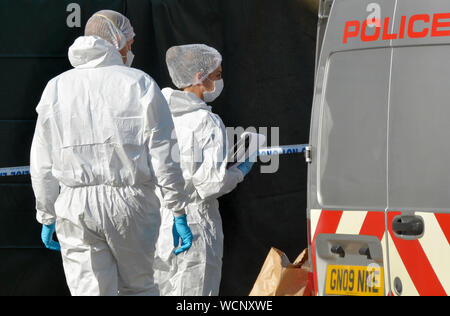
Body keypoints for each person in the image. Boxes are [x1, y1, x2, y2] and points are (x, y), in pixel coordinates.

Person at [30, 10, 192, 296]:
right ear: (117, 40)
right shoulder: (138, 83)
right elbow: (164, 153)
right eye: (129, 42)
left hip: (75, 205)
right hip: (132, 204)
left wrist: (46, 213)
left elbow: (42, 163)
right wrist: (177, 208)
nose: (131, 48)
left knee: (89, 292)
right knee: (139, 288)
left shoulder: (55, 88)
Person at [153, 44, 255, 296]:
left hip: (160, 226)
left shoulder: (161, 116)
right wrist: (241, 170)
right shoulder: (205, 121)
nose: (220, 82)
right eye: (217, 75)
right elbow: (211, 183)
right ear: (200, 77)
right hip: (195, 223)